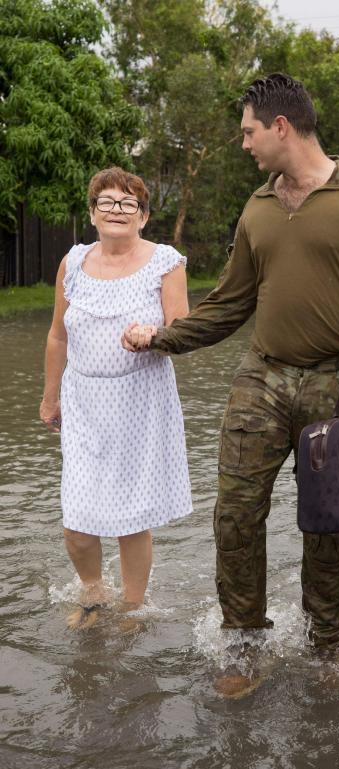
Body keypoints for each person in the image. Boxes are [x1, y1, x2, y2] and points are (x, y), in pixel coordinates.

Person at [122, 73, 339, 651]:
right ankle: (242, 644)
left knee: (333, 527)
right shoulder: (257, 207)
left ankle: (326, 649)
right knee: (234, 516)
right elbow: (230, 303)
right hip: (261, 376)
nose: (244, 144)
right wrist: (160, 338)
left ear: (281, 127)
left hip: (338, 383)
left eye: (249, 132)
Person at [40, 167, 192, 629]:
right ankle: (92, 593)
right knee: (77, 516)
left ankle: (132, 606)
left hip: (140, 401)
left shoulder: (166, 262)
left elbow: (183, 330)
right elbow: (57, 336)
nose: (117, 210)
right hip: (84, 399)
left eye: (128, 204)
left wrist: (154, 335)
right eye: (106, 202)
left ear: (143, 216)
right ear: (92, 213)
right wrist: (50, 398)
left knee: (130, 516)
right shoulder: (74, 262)